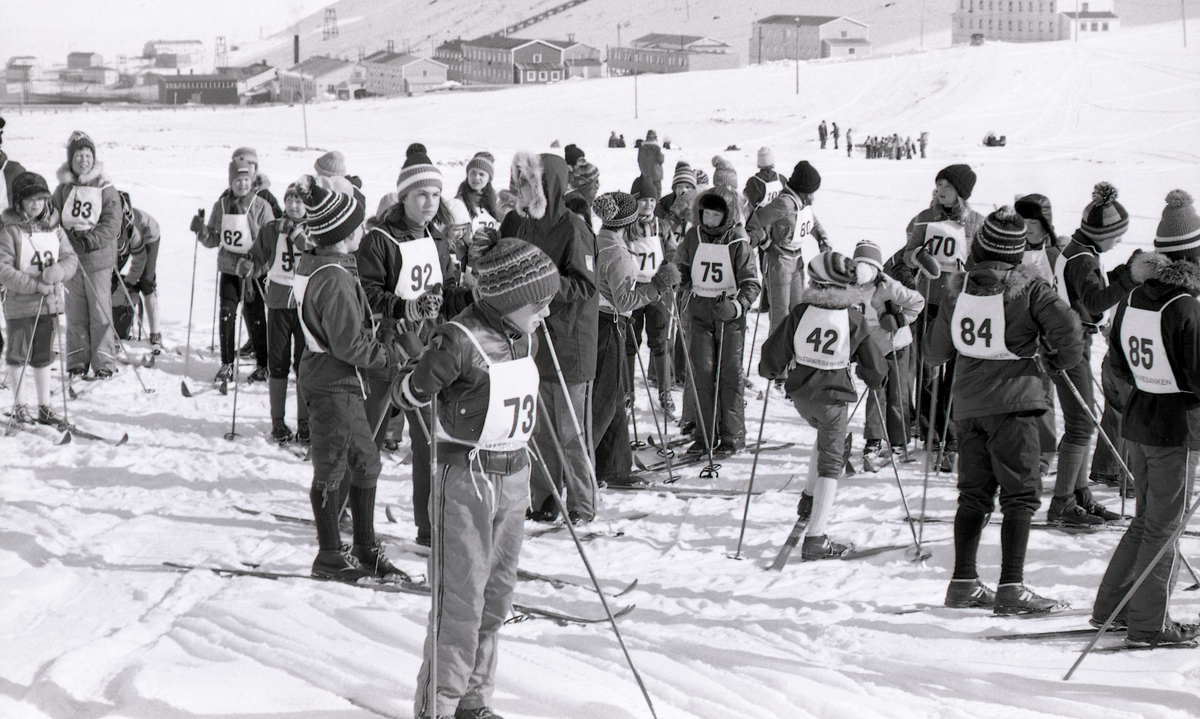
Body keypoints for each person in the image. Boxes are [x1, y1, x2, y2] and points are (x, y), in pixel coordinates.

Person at [393, 236, 559, 719]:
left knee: (495, 598)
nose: (545, 314)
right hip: (466, 478)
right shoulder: (458, 339)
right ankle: (438, 707)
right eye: (539, 304)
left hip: (513, 476)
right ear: (509, 301)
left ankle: (473, 701)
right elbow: (411, 394)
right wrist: (417, 372)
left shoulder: (521, 334)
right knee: (460, 602)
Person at [926, 207, 1083, 614]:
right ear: (1017, 254)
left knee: (973, 495)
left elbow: (934, 352)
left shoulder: (957, 291)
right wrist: (1055, 358)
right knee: (1020, 495)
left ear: (979, 249)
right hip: (1015, 405)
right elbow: (1069, 329)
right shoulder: (1030, 291)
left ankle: (963, 582)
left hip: (968, 407)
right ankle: (1012, 586)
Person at [1092, 189, 1200, 647]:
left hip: (1138, 422)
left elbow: (1116, 362)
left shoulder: (1136, 295)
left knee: (1145, 521)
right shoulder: (1185, 306)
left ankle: (1112, 608)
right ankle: (1148, 624)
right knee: (1164, 525)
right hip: (1175, 430)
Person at [292, 177, 404, 582]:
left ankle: (363, 546)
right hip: (333, 381)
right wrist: (388, 357)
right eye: (356, 228)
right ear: (340, 236)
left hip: (339, 380)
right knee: (333, 465)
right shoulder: (334, 278)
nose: (362, 232)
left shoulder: (329, 265)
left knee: (365, 461)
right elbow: (348, 343)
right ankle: (329, 554)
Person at [359, 151, 472, 546]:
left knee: (428, 442)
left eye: (436, 194)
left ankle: (429, 525)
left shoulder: (437, 241)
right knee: (367, 438)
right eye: (421, 194)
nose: (430, 202)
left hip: (424, 352)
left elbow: (444, 295)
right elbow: (368, 293)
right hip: (385, 352)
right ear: (403, 197)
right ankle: (350, 518)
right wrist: (403, 307)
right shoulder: (379, 240)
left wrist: (468, 296)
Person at [758, 251, 886, 559]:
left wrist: (771, 370)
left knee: (825, 437)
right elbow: (875, 368)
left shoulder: (802, 312)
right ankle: (816, 539)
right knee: (832, 459)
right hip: (832, 397)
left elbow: (774, 354)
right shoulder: (852, 318)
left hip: (802, 396)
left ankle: (808, 497)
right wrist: (874, 377)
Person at [501, 151, 598, 524]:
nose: (521, 191)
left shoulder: (573, 228)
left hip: (570, 341)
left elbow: (585, 285)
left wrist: (543, 284)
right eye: (520, 183)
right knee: (539, 427)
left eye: (528, 184)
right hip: (534, 338)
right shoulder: (523, 224)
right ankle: (545, 498)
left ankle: (582, 502)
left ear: (546, 187)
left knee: (571, 430)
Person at [1049, 182, 1139, 526]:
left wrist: (1119, 273)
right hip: (1069, 343)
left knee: (1083, 419)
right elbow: (1096, 302)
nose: (1118, 242)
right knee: (1081, 423)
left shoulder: (1079, 250)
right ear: (1102, 233)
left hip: (1072, 340)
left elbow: (1092, 290)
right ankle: (1062, 504)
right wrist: (1128, 278)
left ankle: (1080, 494)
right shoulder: (1083, 258)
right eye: (1117, 236)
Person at [592, 190, 679, 488]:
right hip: (610, 325)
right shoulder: (616, 252)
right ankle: (580, 466)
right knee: (606, 401)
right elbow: (625, 300)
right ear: (628, 223)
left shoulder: (597, 241)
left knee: (614, 399)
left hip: (599, 324)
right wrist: (657, 285)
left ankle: (613, 466)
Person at [902, 164, 986, 470]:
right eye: (938, 185)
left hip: (960, 304)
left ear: (961, 192)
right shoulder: (924, 218)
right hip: (928, 303)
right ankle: (930, 432)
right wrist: (917, 257)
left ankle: (951, 436)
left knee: (956, 373)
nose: (940, 190)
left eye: (947, 186)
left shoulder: (977, 223)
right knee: (927, 369)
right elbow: (907, 253)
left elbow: (983, 260)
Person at [674, 185, 760, 456]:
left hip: (729, 317)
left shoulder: (737, 241)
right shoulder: (693, 237)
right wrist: (675, 279)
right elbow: (682, 268)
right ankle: (704, 435)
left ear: (727, 216)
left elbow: (751, 283)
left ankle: (732, 437)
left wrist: (737, 306)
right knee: (702, 374)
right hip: (700, 312)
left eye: (715, 216)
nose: (709, 220)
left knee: (729, 376)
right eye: (706, 214)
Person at [0, 172, 79, 426]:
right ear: (19, 202)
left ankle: (44, 406)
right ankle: (19, 405)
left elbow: (71, 258)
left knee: (44, 356)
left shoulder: (53, 229)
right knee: (18, 354)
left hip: (49, 306)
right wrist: (35, 285)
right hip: (20, 305)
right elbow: (4, 271)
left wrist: (60, 271)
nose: (36, 204)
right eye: (30, 199)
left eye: (41, 199)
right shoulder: (10, 230)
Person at [193, 155, 275, 383]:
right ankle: (227, 364)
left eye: (246, 180)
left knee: (256, 317)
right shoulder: (221, 205)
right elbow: (214, 238)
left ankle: (262, 364)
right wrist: (201, 232)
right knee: (227, 314)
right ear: (230, 181)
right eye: (237, 180)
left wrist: (251, 225)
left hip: (254, 270)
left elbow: (269, 240)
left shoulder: (261, 205)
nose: (242, 184)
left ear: (252, 181)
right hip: (229, 268)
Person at [240, 182, 310, 444]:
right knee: (277, 363)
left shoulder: (313, 229)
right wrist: (249, 265)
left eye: (299, 201)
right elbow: (258, 256)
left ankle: (305, 421)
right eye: (289, 199)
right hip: (279, 303)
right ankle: (278, 421)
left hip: (306, 306)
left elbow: (313, 251)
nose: (293, 205)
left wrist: (296, 233)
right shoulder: (272, 228)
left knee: (304, 364)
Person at [52, 130, 122, 381]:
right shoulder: (63, 189)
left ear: (94, 158)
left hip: (97, 259)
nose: (84, 160)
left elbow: (112, 223)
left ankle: (104, 362)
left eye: (88, 155)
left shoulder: (105, 186)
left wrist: (89, 240)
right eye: (79, 155)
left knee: (100, 312)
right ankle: (77, 360)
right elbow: (53, 216)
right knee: (75, 314)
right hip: (71, 260)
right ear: (71, 160)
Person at [853, 241, 925, 470]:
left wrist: (901, 320)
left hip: (897, 346)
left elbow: (918, 302)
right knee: (875, 394)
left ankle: (898, 441)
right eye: (858, 267)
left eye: (868, 267)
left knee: (897, 394)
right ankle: (873, 440)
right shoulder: (850, 288)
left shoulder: (889, 286)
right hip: (870, 348)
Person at [746, 160, 831, 336]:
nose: (813, 197)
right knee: (780, 315)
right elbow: (755, 221)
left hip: (797, 260)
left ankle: (793, 353)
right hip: (780, 262)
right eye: (811, 192)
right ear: (803, 189)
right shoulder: (784, 203)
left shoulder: (802, 203)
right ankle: (775, 358)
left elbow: (811, 220)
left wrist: (822, 238)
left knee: (798, 310)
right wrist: (766, 244)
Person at [1014, 194, 1065, 478]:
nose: (1027, 227)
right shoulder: (1011, 249)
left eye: (1033, 221)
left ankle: (1045, 453)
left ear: (1045, 224)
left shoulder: (1057, 255)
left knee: (1043, 395)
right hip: (1015, 333)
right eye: (1022, 221)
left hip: (1044, 336)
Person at [626, 177, 678, 420]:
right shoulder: (626, 226)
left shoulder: (662, 226)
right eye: (643, 200)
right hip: (634, 290)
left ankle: (665, 392)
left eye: (652, 200)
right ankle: (627, 393)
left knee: (659, 341)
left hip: (657, 290)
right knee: (630, 343)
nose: (648, 204)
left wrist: (670, 271)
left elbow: (672, 252)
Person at [115, 192, 163, 352]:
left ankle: (155, 333)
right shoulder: (105, 222)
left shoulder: (132, 225)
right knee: (109, 281)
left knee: (146, 281)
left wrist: (129, 281)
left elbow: (140, 259)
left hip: (148, 235)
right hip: (122, 242)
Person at [456, 151, 500, 235]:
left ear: (489, 179)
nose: (476, 177)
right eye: (473, 173)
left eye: (481, 174)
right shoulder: (458, 202)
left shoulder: (495, 202)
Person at [743, 147, 787, 219]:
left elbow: (747, 203)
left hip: (761, 219)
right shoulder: (781, 179)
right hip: (779, 218)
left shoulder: (754, 182)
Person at [637, 129, 665, 200]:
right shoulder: (656, 148)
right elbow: (661, 160)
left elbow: (639, 160)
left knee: (647, 194)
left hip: (645, 173)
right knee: (657, 195)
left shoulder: (642, 148)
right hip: (656, 175)